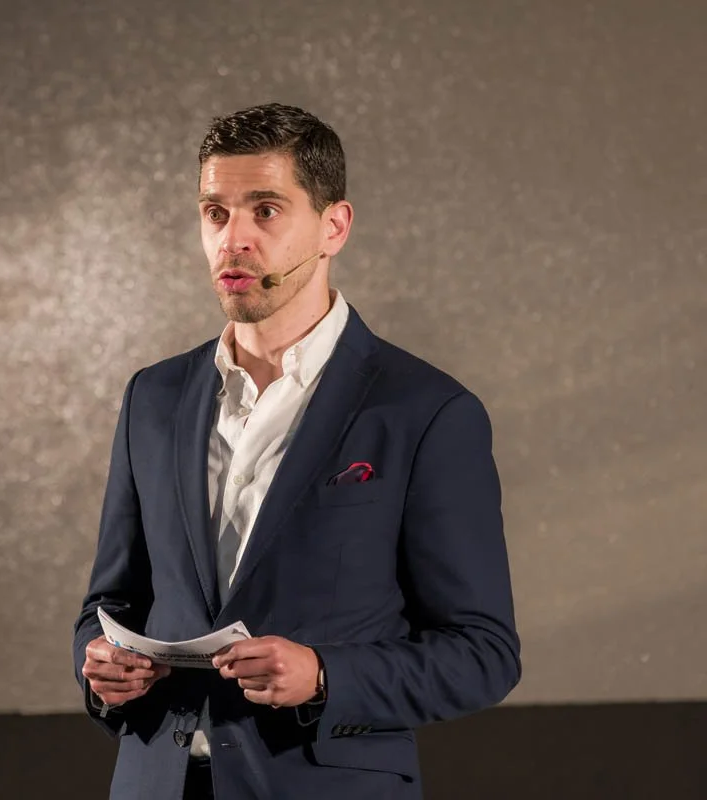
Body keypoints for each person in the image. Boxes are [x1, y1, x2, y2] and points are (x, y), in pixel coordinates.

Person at [72, 103, 521, 800]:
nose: (234, 240)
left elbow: (482, 654)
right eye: (215, 213)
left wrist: (324, 675)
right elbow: (110, 603)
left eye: (266, 210)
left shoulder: (425, 412)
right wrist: (100, 668)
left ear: (333, 226)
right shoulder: (153, 397)